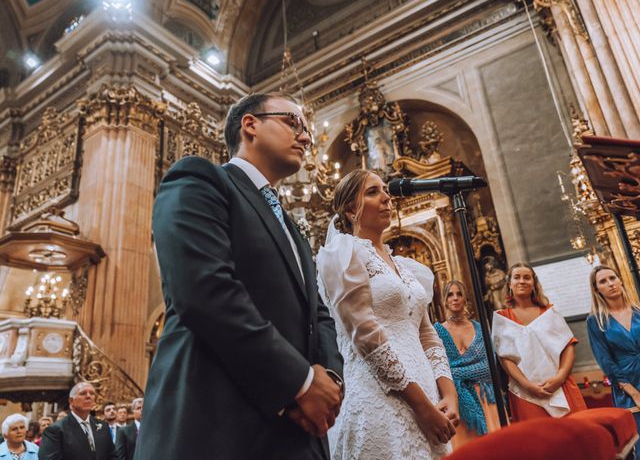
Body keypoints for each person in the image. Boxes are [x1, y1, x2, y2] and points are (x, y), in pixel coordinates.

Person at [136, 92, 343, 460]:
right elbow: (205, 291)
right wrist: (301, 382)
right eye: (293, 122)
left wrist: (329, 381)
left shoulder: (291, 226)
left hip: (298, 433)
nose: (307, 138)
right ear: (250, 125)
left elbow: (320, 313)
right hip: (217, 425)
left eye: (307, 129)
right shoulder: (200, 179)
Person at [316, 169, 459, 460]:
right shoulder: (343, 253)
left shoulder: (405, 268)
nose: (386, 197)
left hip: (428, 395)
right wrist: (421, 406)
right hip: (380, 394)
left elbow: (426, 332)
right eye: (372, 192)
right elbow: (365, 334)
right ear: (350, 209)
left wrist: (448, 392)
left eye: (385, 190)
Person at [491, 263, 586, 421]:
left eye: (527, 278)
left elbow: (568, 346)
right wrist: (527, 385)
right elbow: (505, 358)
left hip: (559, 386)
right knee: (538, 440)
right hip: (525, 392)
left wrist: (560, 377)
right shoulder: (502, 317)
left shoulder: (549, 312)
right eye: (517, 277)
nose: (522, 281)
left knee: (574, 435)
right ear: (509, 284)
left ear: (534, 283)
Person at [434, 280, 500, 449]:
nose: (455, 298)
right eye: (450, 294)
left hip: (484, 396)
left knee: (495, 447)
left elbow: (488, 366)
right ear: (444, 300)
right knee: (467, 450)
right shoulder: (437, 331)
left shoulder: (479, 328)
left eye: (459, 294)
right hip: (455, 398)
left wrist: (455, 372)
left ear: (466, 299)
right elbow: (438, 367)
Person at [586, 265, 640, 457]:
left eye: (612, 278)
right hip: (627, 385)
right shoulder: (595, 321)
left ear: (620, 280)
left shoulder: (638, 311)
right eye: (603, 281)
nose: (610, 284)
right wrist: (634, 393)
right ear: (596, 289)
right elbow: (606, 361)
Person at [38, 381, 116, 460]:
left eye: (92, 393)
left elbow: (113, 456)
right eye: (83, 393)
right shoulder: (55, 430)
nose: (88, 396)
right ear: (71, 401)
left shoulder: (102, 426)